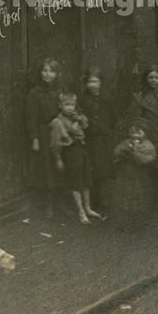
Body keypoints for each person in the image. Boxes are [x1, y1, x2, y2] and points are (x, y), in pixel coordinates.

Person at [50, 91, 102, 225]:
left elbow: (86, 125)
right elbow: (56, 143)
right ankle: (81, 211)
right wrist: (58, 159)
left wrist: (79, 119)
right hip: (70, 151)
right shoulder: (58, 122)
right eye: (66, 105)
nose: (69, 108)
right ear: (60, 106)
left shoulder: (77, 116)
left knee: (85, 179)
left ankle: (88, 208)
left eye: (72, 105)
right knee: (76, 182)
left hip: (82, 149)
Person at [26, 57, 63, 218]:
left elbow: (69, 107)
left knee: (59, 164)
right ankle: (49, 204)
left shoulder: (60, 91)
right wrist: (34, 137)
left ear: (56, 74)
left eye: (51, 71)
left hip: (59, 132)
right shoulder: (35, 93)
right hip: (42, 133)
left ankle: (61, 200)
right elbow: (31, 117)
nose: (47, 74)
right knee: (46, 167)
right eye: (45, 71)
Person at [80, 67, 116, 213]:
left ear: (100, 82)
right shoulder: (83, 99)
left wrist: (106, 128)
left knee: (104, 168)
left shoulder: (106, 98)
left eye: (95, 81)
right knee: (92, 167)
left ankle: (104, 197)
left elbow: (113, 117)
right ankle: (93, 199)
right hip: (90, 139)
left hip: (103, 139)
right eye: (89, 82)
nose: (92, 85)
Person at [110, 121, 157, 229]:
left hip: (140, 177)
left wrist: (134, 152)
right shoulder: (126, 143)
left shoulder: (148, 146)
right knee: (126, 198)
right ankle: (127, 220)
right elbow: (116, 152)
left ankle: (141, 221)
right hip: (125, 175)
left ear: (145, 134)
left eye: (139, 132)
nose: (135, 135)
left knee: (140, 199)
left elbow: (148, 160)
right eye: (132, 132)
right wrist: (123, 150)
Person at [129, 64, 158, 154]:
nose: (153, 80)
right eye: (150, 77)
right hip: (148, 133)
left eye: (156, 78)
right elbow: (136, 119)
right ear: (146, 79)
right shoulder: (140, 97)